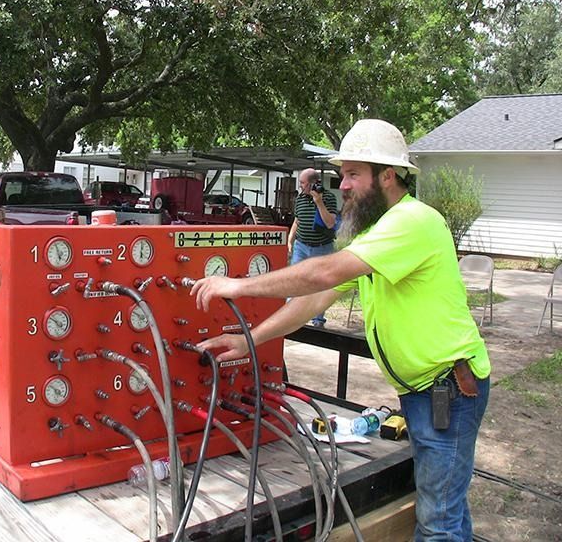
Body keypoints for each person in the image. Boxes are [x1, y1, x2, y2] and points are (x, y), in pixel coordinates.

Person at [191, 119, 490, 542]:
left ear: (387, 175)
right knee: (447, 510)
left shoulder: (413, 222)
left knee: (437, 524)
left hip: (449, 390)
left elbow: (324, 272)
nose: (343, 185)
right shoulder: (379, 232)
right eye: (341, 174)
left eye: (353, 174)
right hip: (427, 391)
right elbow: (315, 299)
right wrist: (248, 340)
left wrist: (238, 286)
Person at [286, 167, 338, 327]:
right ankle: (288, 317)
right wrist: (290, 239)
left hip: (322, 247)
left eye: (303, 183)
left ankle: (318, 319)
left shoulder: (328, 197)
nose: (300, 185)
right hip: (301, 245)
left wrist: (319, 202)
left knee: (320, 283)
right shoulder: (300, 198)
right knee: (294, 280)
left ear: (313, 183)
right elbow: (297, 220)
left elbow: (330, 223)